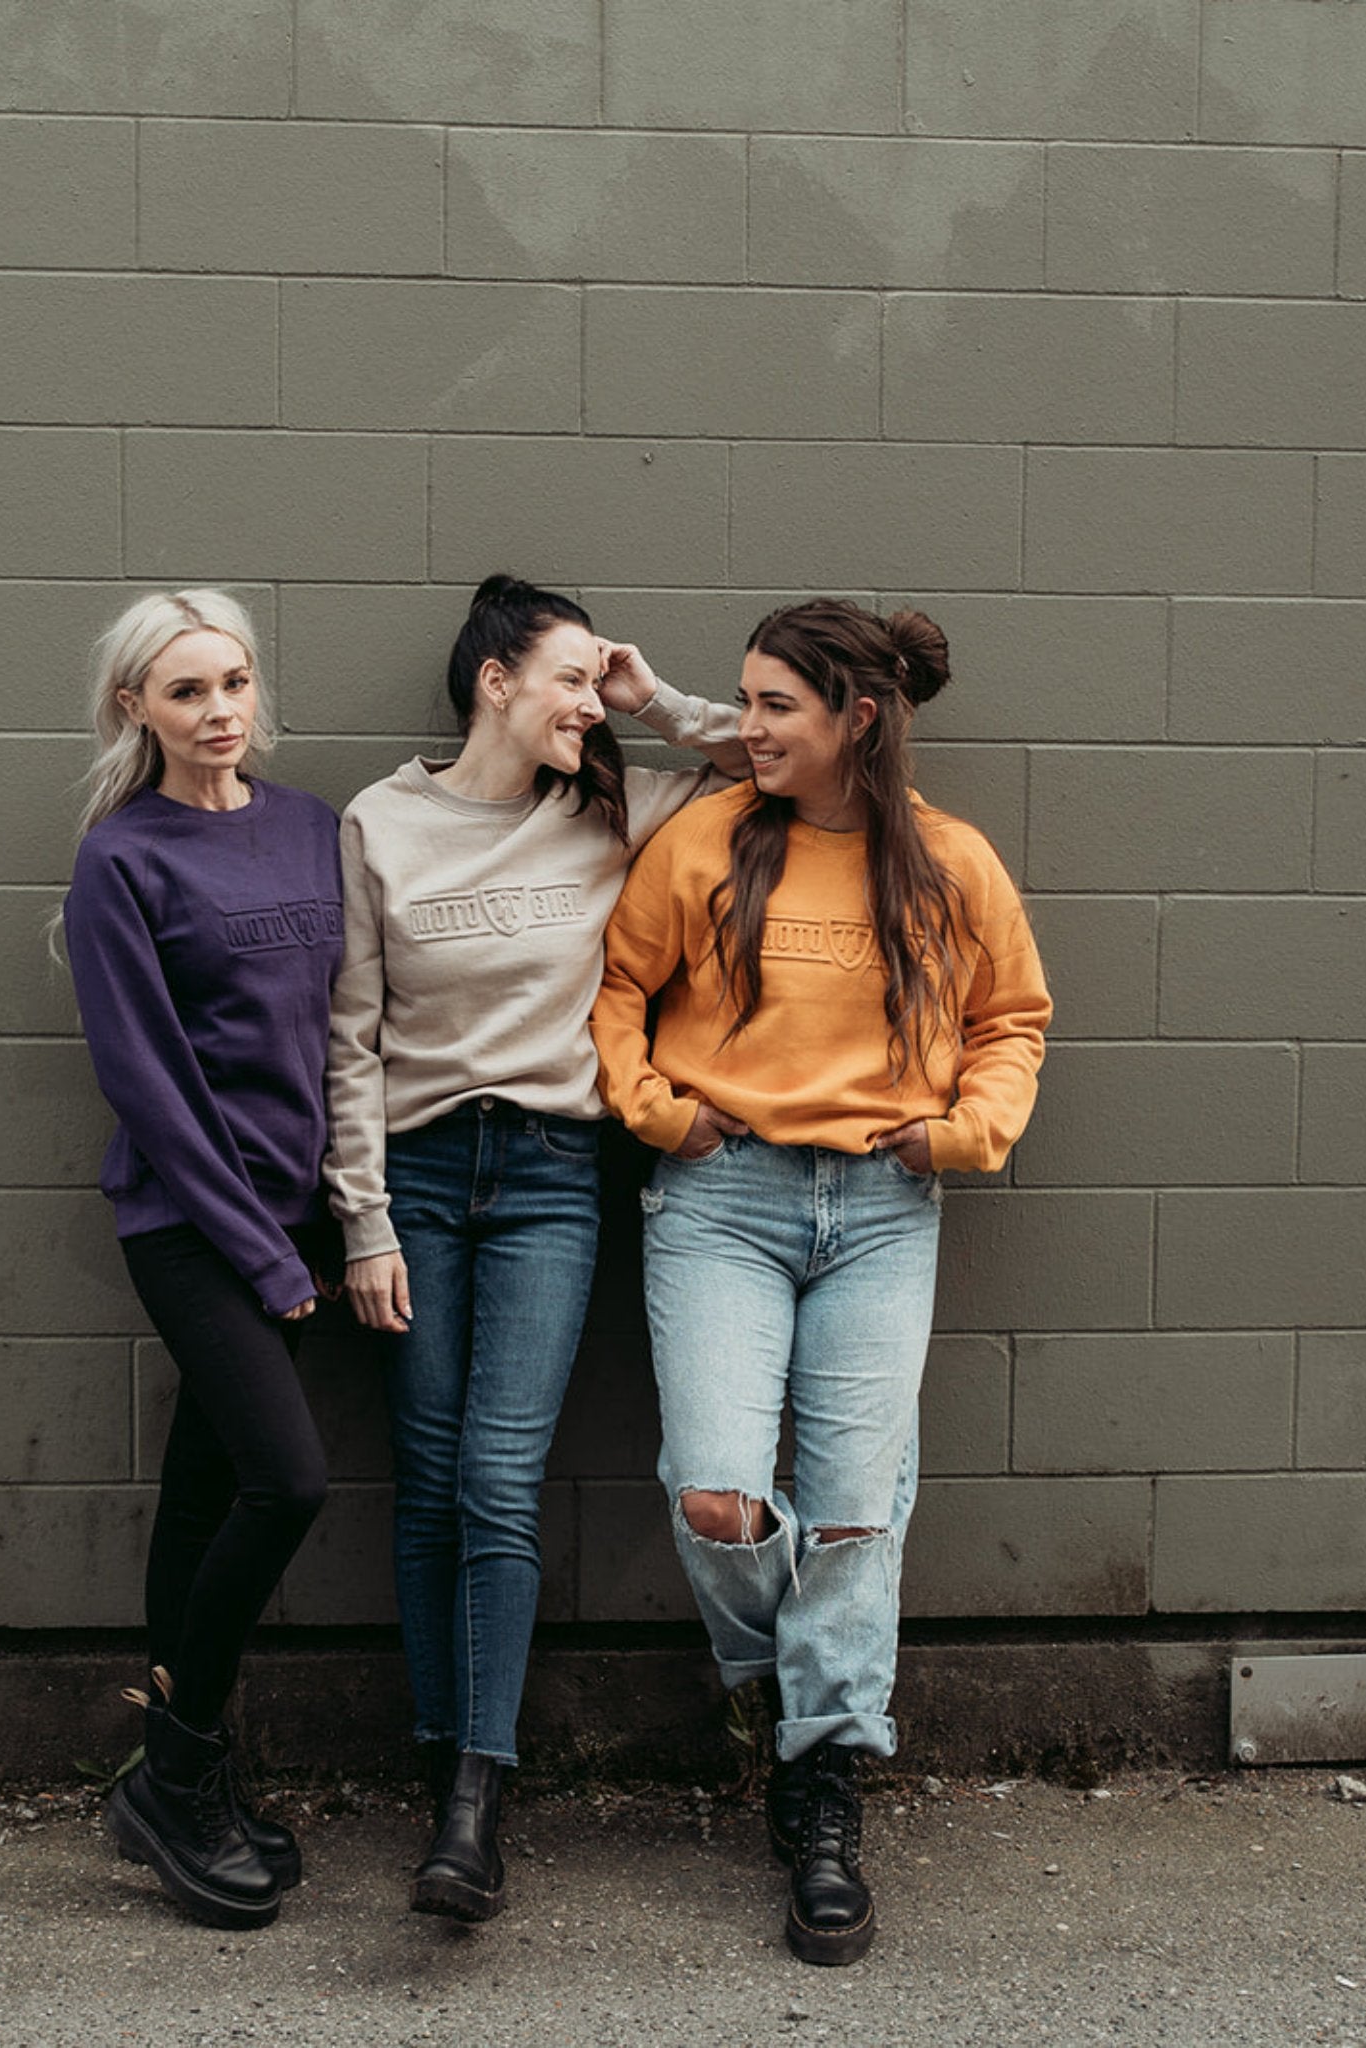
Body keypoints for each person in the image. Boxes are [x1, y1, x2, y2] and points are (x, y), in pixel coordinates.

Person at [590, 598, 1050, 1966]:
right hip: (723, 1201)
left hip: (886, 1208)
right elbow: (620, 990)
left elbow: (1011, 1019)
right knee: (719, 1498)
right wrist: (664, 1112)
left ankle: (823, 1788)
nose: (748, 728)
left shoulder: (952, 863)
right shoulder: (709, 841)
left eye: (775, 706)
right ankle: (780, 1690)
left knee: (852, 1515)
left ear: (855, 716)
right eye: (742, 703)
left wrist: (964, 1133)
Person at [324, 573, 747, 1921]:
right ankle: (450, 1767)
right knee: (431, 1478)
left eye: (591, 681)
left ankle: (472, 1806)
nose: (584, 701)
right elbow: (349, 1038)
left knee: (501, 1476)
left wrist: (650, 697)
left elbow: (782, 756)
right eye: (564, 677)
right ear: (491, 681)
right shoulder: (379, 823)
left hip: (557, 1174)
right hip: (424, 1177)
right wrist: (363, 1217)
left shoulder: (617, 811)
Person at [60, 590, 342, 1932]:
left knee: (200, 1494)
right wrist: (263, 1253)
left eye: (233, 682)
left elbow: (345, 1037)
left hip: (299, 1216)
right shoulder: (124, 860)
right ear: (137, 709)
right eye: (186, 692)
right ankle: (180, 1778)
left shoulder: (309, 830)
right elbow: (147, 1083)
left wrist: (340, 1221)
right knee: (286, 1484)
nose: (220, 710)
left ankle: (166, 1782)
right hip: (190, 1225)